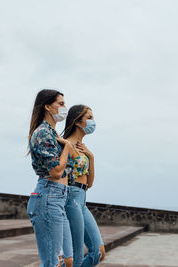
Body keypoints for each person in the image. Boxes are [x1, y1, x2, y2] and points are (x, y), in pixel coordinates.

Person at [27, 89, 74, 267]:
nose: (64, 108)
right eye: (60, 104)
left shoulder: (54, 134)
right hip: (49, 196)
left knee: (64, 259)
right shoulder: (43, 133)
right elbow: (56, 171)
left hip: (58, 196)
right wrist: (68, 148)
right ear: (47, 106)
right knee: (52, 262)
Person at [63, 105, 105, 266]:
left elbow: (90, 183)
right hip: (71, 197)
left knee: (98, 252)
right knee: (76, 255)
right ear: (78, 122)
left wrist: (91, 157)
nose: (92, 121)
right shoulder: (66, 144)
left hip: (82, 199)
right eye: (89, 117)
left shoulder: (84, 149)